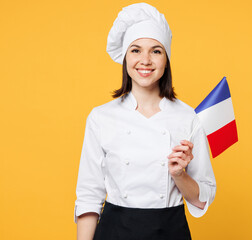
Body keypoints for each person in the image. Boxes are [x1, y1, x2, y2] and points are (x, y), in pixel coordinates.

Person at [75, 3, 216, 240]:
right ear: (125, 57)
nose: (145, 60)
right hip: (115, 231)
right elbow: (89, 196)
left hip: (170, 231)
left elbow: (202, 199)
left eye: (156, 51)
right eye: (136, 50)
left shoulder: (187, 117)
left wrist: (180, 175)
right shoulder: (101, 117)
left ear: (166, 58)